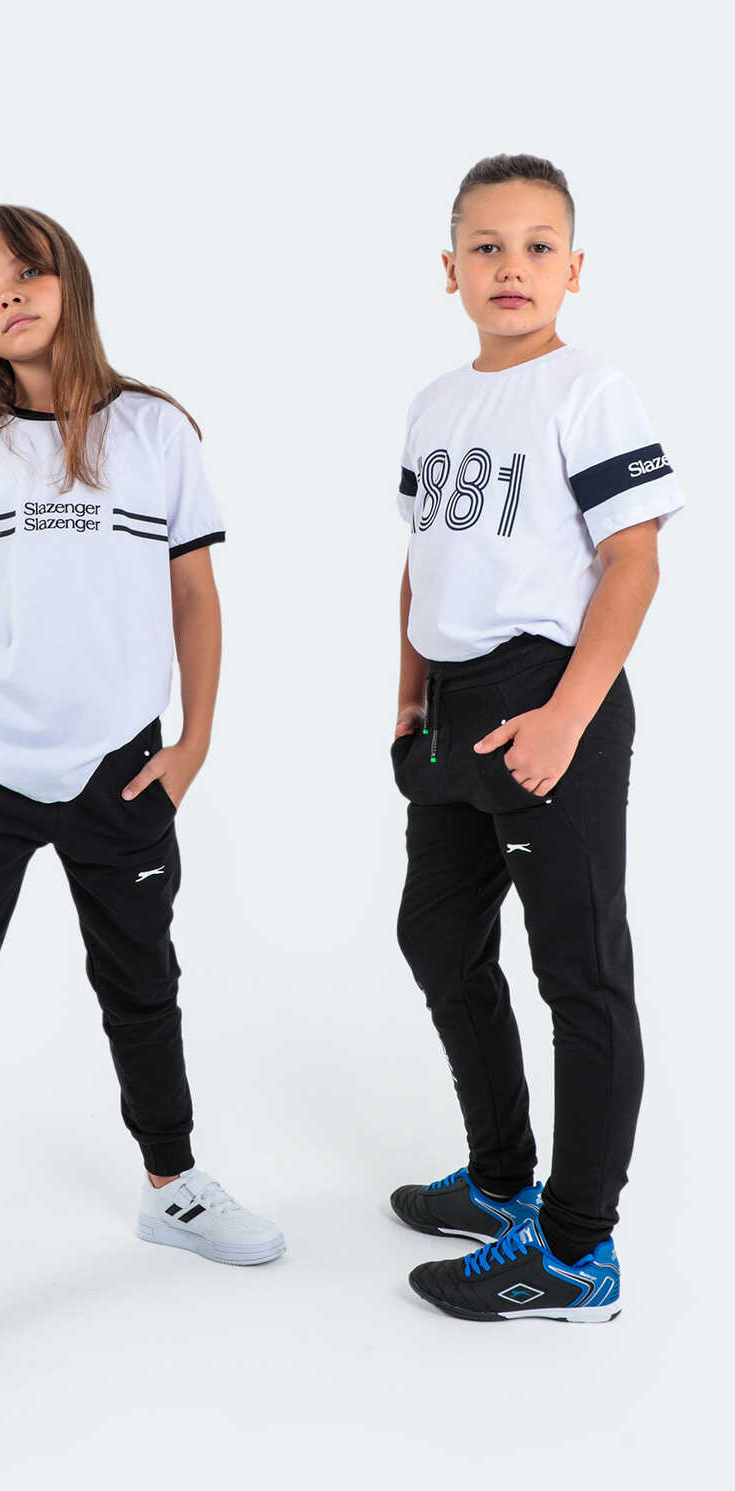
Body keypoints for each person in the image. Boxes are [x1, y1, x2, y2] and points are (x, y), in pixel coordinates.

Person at [0, 205, 284, 1416]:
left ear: (67, 281)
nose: (9, 299)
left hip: (119, 775)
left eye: (25, 273)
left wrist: (192, 744)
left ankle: (170, 1185)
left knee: (142, 985)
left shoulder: (155, 431)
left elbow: (195, 596)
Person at [387, 154, 684, 1322]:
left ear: (574, 266)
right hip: (451, 706)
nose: (511, 266)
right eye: (487, 245)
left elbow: (632, 560)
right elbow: (419, 563)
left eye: (537, 245)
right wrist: (407, 698)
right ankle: (501, 1180)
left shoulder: (587, 389)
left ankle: (573, 1252)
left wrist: (566, 715)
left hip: (547, 694)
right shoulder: (433, 403)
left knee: (580, 974)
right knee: (434, 933)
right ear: (449, 268)